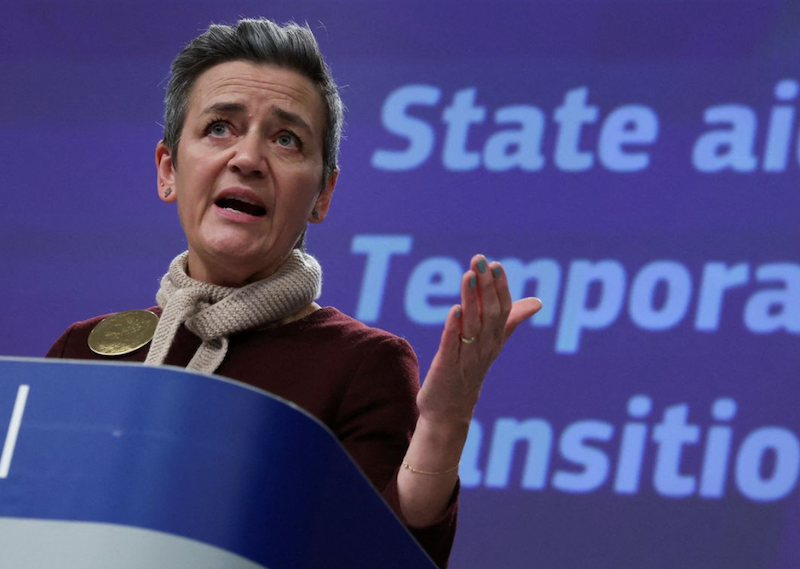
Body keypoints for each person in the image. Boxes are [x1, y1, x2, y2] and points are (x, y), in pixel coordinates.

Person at [46, 18, 542, 568]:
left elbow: (384, 554)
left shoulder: (362, 364)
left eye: (286, 139)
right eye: (219, 128)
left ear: (323, 194)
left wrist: (445, 423)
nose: (248, 158)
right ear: (168, 170)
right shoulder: (82, 350)